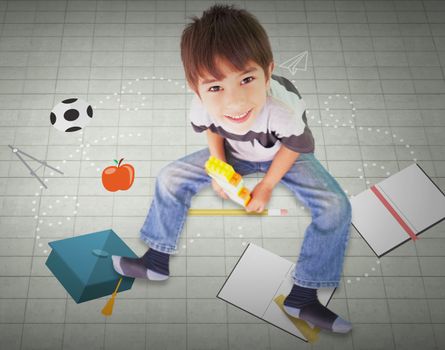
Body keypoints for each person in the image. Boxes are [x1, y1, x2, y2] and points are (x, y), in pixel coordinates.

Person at [112, 4, 352, 333]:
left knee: (336, 205)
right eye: (215, 87)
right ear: (196, 89)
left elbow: (295, 146)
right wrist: (219, 166)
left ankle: (304, 297)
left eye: (247, 79)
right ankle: (155, 260)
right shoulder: (201, 107)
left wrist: (266, 186)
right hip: (235, 151)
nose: (235, 103)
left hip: (281, 151)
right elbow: (212, 130)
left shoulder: (283, 111)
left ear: (268, 72)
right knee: (171, 176)